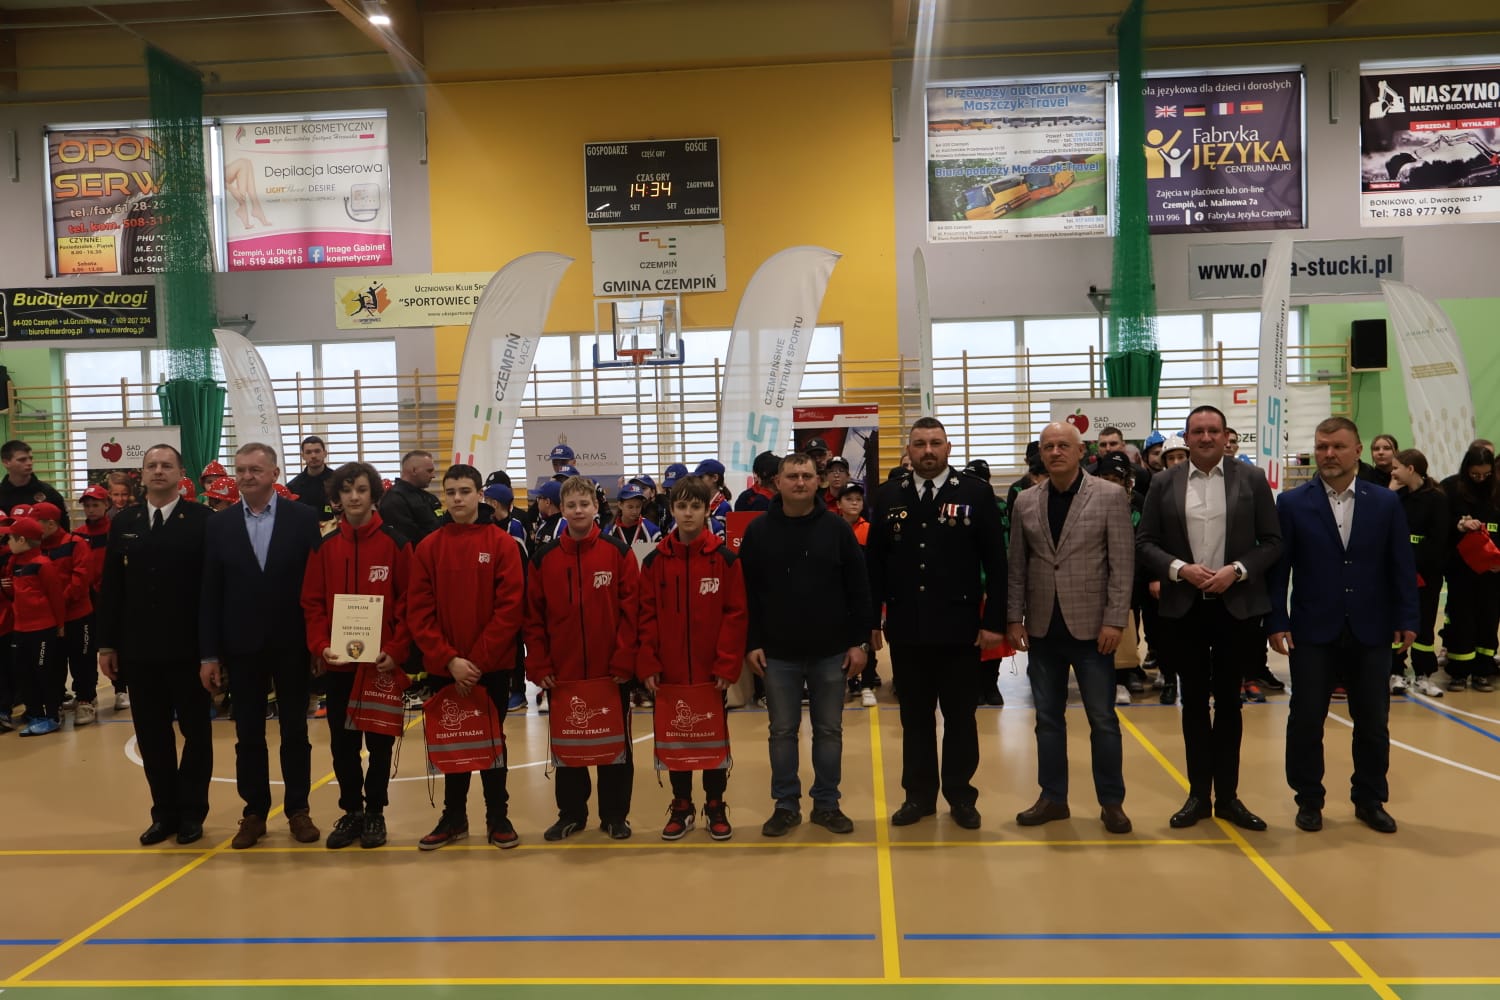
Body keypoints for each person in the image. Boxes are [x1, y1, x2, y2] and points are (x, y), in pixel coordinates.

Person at [1269, 417, 1418, 834]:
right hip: (1312, 629)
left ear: (1357, 450)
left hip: (1372, 629)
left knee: (1372, 722)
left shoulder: (1385, 503)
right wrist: (1277, 619)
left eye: (1337, 446)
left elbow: (1401, 565)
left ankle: (1369, 799)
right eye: (1321, 447)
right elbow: (1279, 570)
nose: (1329, 454)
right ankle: (1308, 799)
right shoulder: (1292, 503)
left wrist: (1407, 617)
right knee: (1305, 720)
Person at [1137, 405, 1282, 832]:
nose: (1205, 438)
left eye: (1213, 431)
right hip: (1185, 609)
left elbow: (1272, 542)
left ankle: (1230, 798)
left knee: (1231, 704)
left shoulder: (1251, 479)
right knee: (1194, 704)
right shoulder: (1163, 483)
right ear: (1186, 438)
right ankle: (1199, 796)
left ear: (1225, 436)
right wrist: (1179, 568)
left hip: (1236, 607)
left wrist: (1237, 570)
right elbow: (1144, 543)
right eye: (1197, 431)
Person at [866, 418, 1005, 829]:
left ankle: (961, 796)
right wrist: (871, 621)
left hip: (961, 629)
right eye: (920, 443)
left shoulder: (975, 493)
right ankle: (919, 796)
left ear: (948, 447)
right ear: (908, 450)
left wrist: (994, 621)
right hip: (907, 627)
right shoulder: (888, 495)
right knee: (915, 718)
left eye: (935, 443)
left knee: (961, 718)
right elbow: (874, 565)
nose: (928, 450)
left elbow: (997, 563)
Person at [1007, 421, 1135, 835]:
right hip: (1043, 629)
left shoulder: (1110, 496)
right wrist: (1014, 617)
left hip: (1094, 630)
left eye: (1064, 445)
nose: (1056, 452)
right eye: (1048, 447)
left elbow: (1122, 565)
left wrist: (1115, 620)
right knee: (1047, 720)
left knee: (1103, 720)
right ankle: (1053, 798)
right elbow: (1017, 566)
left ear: (1082, 452)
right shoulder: (1025, 500)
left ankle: (1112, 803)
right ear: (1041, 454)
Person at [199, 442, 324, 850]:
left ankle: (298, 809)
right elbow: (210, 593)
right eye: (241, 470)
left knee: (295, 730)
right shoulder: (219, 525)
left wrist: (317, 643)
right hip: (242, 645)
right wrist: (210, 654)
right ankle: (254, 812)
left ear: (274, 473)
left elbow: (317, 586)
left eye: (255, 469)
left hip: (292, 644)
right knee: (248, 732)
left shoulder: (303, 518)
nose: (247, 476)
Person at [739, 453, 870, 837]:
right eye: (792, 476)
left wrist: (859, 643)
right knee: (782, 732)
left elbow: (859, 589)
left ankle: (827, 804)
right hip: (777, 654)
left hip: (831, 652)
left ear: (818, 482)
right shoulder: (758, 531)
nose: (800, 482)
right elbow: (746, 594)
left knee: (829, 731)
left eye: (807, 476)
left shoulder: (837, 529)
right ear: (777, 483)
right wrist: (752, 642)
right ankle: (785, 805)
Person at [96, 444, 212, 844]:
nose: (158, 471)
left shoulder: (202, 520)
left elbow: (211, 590)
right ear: (142, 474)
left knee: (197, 734)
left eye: (166, 465)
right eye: (151, 465)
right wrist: (107, 644)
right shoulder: (124, 522)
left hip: (189, 649)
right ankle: (164, 813)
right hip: (139, 650)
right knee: (152, 735)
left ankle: (192, 812)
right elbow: (112, 587)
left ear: (181, 473)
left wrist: (212, 651)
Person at [407, 463, 527, 850]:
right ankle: (453, 817)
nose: (457, 498)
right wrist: (449, 660)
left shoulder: (502, 545)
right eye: (451, 492)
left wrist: (475, 662)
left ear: (479, 495)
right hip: (446, 668)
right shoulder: (428, 548)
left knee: (492, 741)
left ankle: (498, 816)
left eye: (464, 491)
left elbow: (510, 609)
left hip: (491, 667)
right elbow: (419, 611)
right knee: (452, 740)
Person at [300, 463, 411, 850]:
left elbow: (410, 604)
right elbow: (312, 603)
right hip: (340, 665)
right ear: (336, 498)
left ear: (374, 494)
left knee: (379, 745)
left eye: (361, 489)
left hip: (381, 665)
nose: (354, 497)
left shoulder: (397, 544)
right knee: (343, 745)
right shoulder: (324, 546)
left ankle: (376, 812)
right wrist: (320, 645)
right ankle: (352, 811)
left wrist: (396, 649)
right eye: (346, 491)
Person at [525, 475, 641, 840]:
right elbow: (533, 617)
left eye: (584, 504)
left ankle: (615, 815)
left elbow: (632, 611)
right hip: (564, 672)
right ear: (561, 508)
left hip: (610, 673)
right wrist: (539, 663)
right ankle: (571, 814)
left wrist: (625, 659)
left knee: (616, 748)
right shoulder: (544, 559)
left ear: (595, 507)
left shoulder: (617, 553)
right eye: (571, 505)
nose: (578, 510)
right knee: (569, 746)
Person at [638, 474, 747, 841]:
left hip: (710, 673)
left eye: (695, 506)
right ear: (672, 510)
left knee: (712, 739)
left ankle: (715, 803)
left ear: (706, 511)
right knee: (677, 739)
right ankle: (681, 805)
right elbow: (645, 616)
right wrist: (649, 662)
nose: (688, 513)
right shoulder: (654, 562)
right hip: (669, 673)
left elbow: (736, 614)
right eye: (682, 506)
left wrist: (726, 663)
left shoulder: (725, 560)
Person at [1440, 445, 1500, 692]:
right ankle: (1459, 672)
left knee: (1488, 619)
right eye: (1475, 474)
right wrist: (1460, 524)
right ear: (1466, 469)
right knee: (1461, 619)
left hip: (1492, 571)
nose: (1481, 479)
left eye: (1486, 475)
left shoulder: (1496, 490)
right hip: (1461, 569)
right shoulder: (1450, 488)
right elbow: (1440, 523)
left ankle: (1483, 671)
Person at [31, 502, 97, 726]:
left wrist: (59, 601)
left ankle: (86, 699)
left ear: (51, 524)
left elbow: (81, 578)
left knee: (82, 659)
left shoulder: (75, 543)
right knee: (54, 662)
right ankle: (56, 700)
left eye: (36, 524)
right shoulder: (35, 550)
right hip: (50, 619)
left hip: (77, 615)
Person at [1390, 449, 1448, 698]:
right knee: (1397, 623)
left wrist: (1416, 564)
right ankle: (1395, 671)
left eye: (1396, 467)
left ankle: (1423, 674)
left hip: (1427, 574)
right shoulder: (1396, 497)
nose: (1393, 472)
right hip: (1398, 573)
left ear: (1410, 469)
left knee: (1424, 624)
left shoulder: (1437, 499)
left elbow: (1439, 540)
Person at [4, 516, 66, 736]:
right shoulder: (14, 563)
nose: (7, 542)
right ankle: (35, 712)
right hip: (20, 629)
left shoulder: (43, 564)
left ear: (22, 540)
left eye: (10, 538)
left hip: (42, 630)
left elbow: (56, 597)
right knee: (24, 673)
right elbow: (14, 594)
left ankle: (52, 716)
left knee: (44, 673)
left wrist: (60, 625)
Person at [836, 481, 881, 706]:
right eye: (848, 499)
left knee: (867, 640)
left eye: (858, 499)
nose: (854, 503)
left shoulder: (869, 530)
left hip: (865, 594)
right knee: (842, 640)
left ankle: (867, 685)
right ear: (838, 504)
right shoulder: (833, 528)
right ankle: (847, 682)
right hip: (839, 597)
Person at [0, 441, 69, 529]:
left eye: (30, 458)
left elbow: (63, 526)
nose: (29, 463)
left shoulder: (48, 492)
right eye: (22, 460)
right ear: (6, 462)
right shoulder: (1, 494)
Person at [379, 450, 440, 544]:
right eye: (429, 471)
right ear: (414, 470)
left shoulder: (430, 497)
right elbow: (407, 538)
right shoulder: (394, 500)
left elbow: (440, 525)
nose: (433, 476)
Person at [287, 435, 336, 523]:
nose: (313, 456)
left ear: (325, 453)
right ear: (303, 456)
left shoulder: (338, 481)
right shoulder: (293, 487)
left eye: (317, 451)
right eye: (308, 452)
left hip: (334, 529)